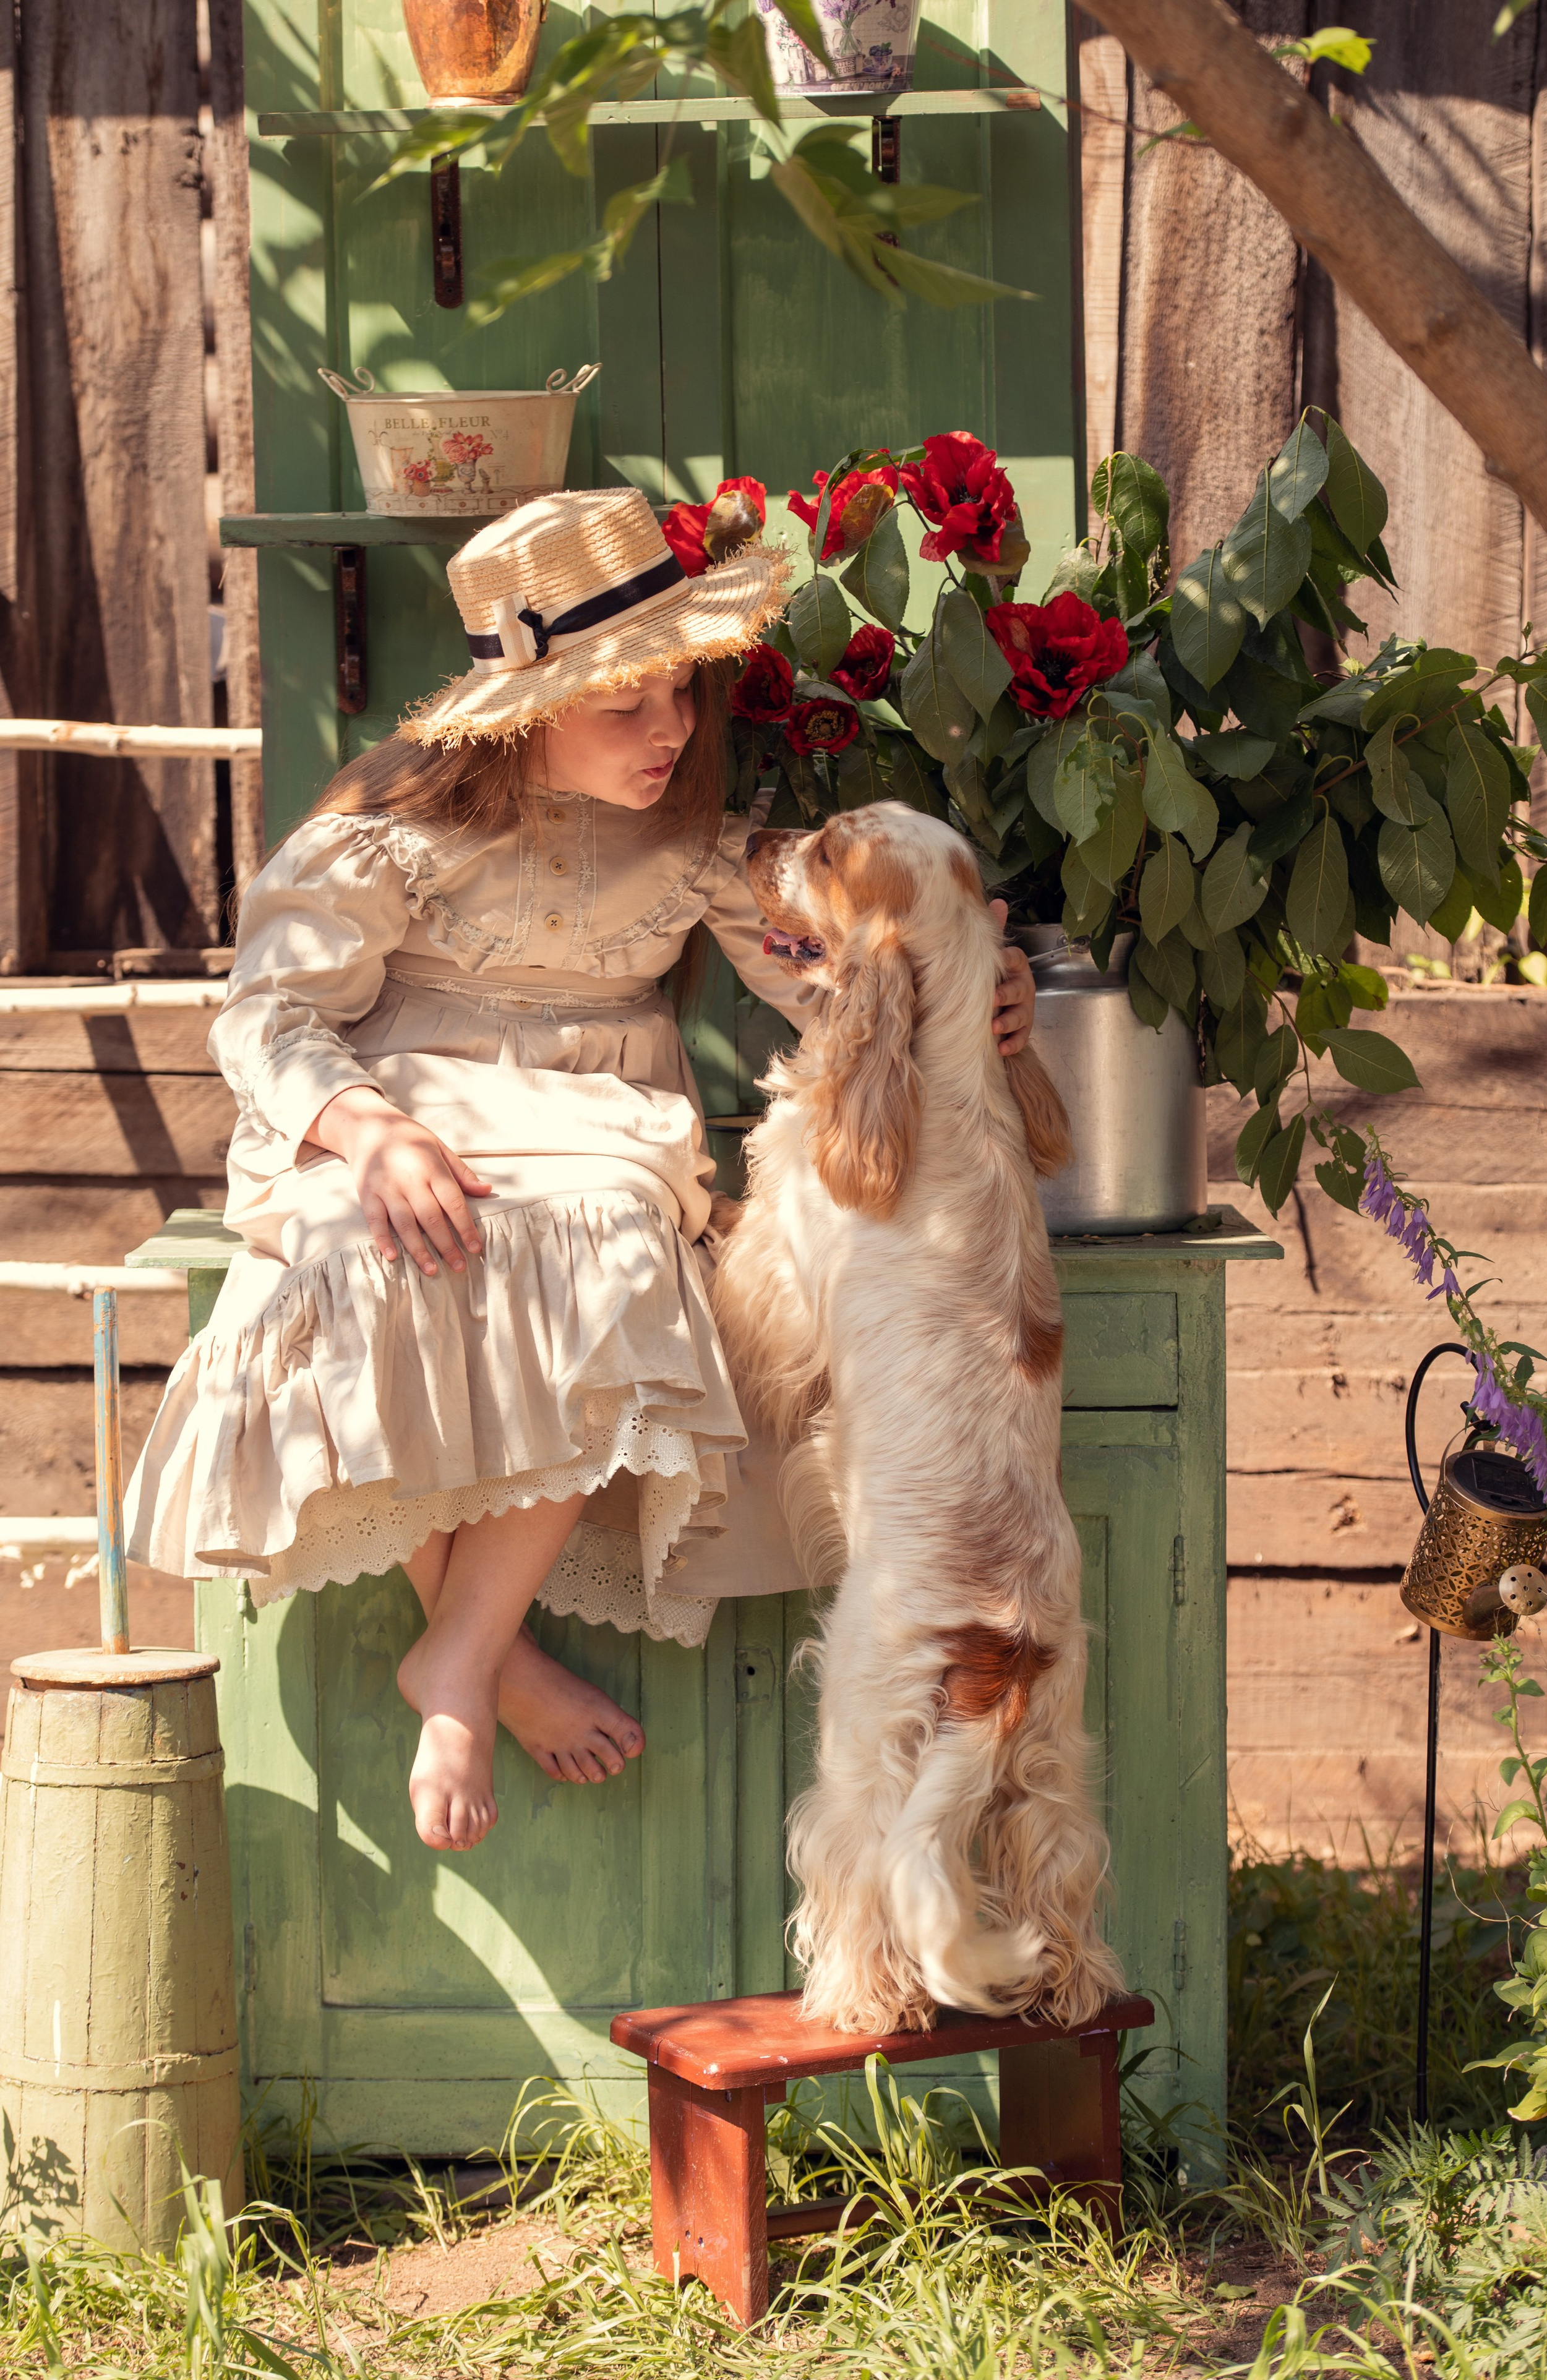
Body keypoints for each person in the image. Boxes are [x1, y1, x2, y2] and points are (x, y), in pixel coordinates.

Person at [125, 488, 1037, 1856]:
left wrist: (964, 987)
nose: (669, 729)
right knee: (374, 1261)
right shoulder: (391, 825)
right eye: (625, 705)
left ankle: (460, 1650)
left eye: (680, 693)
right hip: (401, 1108)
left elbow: (829, 979)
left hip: (591, 1130)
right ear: (527, 710)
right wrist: (368, 1130)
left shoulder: (697, 837)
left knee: (613, 1245)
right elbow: (267, 1011)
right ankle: (479, 1655)